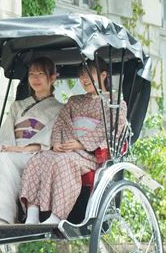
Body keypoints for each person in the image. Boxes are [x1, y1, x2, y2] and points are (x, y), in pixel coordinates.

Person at [19, 60, 127, 225]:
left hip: (91, 155)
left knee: (63, 162)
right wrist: (58, 143)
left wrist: (81, 143)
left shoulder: (115, 103)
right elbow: (61, 123)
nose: (84, 79)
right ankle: (32, 214)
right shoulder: (74, 101)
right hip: (69, 149)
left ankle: (57, 216)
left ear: (103, 75)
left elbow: (111, 129)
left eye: (89, 74)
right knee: (38, 159)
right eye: (81, 75)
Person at [0, 58, 63, 225]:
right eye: (31, 74)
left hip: (35, 154)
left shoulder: (60, 108)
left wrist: (19, 150)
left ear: (53, 78)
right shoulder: (17, 106)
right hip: (13, 149)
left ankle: (4, 217)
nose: (35, 78)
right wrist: (5, 148)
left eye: (41, 74)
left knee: (3, 159)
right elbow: (4, 134)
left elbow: (49, 139)